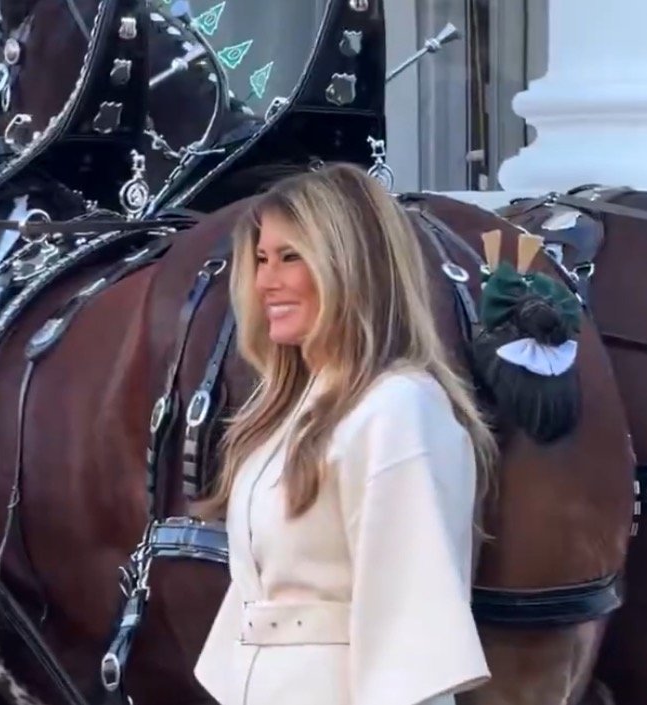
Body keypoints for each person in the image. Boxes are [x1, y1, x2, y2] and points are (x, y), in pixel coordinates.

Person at [192, 163, 498, 705]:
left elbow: (408, 626)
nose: (265, 281)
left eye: (290, 257)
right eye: (262, 259)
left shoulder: (398, 408)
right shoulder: (283, 410)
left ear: (351, 267)